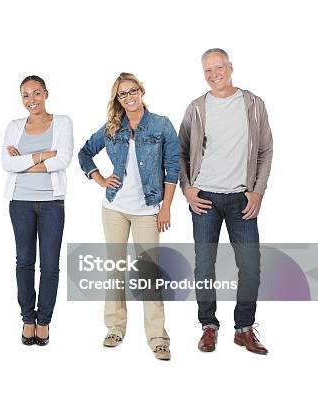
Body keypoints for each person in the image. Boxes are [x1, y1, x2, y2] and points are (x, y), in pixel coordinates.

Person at [78, 72, 179, 360]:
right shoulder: (113, 127)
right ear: (117, 99)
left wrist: (167, 207)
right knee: (115, 270)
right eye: (123, 94)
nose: (129, 97)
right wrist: (99, 179)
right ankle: (115, 327)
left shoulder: (160, 124)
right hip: (114, 209)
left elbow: (173, 167)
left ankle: (158, 338)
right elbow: (85, 153)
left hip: (147, 209)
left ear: (141, 90)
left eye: (133, 91)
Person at [179, 48, 273, 355]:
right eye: (207, 70)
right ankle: (208, 326)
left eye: (218, 67)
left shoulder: (252, 104)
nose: (213, 74)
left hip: (241, 199)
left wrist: (257, 191)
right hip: (204, 198)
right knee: (204, 266)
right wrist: (188, 189)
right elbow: (180, 151)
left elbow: (265, 150)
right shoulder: (196, 108)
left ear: (230, 67)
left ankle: (243, 329)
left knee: (250, 266)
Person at [2, 75, 72, 346]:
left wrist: (23, 161)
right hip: (20, 200)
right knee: (24, 261)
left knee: (50, 265)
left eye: (36, 93)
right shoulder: (14, 125)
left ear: (46, 93)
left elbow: (63, 159)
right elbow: (7, 163)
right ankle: (27, 319)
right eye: (25, 95)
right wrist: (43, 155)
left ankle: (44, 321)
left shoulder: (63, 122)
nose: (31, 100)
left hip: (52, 202)